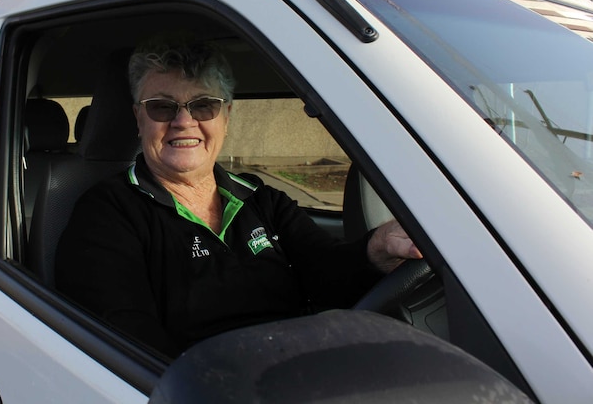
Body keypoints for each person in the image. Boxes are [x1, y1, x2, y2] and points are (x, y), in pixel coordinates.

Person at [55, 38, 422, 358]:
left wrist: (376, 248)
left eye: (203, 105)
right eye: (162, 107)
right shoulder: (105, 214)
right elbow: (128, 342)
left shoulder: (262, 199)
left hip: (300, 367)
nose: (184, 121)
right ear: (139, 118)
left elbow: (325, 269)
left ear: (226, 117)